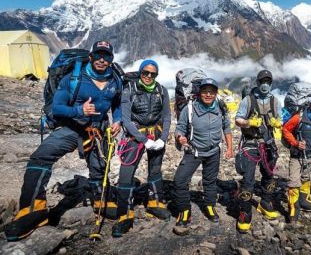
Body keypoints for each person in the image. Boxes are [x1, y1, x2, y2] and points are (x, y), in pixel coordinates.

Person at [5, 41, 122, 241]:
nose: (102, 59)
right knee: (41, 157)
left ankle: (102, 198)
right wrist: (79, 110)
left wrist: (117, 120)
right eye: (98, 54)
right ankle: (33, 209)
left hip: (98, 130)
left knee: (99, 166)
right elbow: (57, 107)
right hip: (72, 127)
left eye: (106, 56)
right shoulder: (74, 78)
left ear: (111, 59)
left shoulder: (115, 80)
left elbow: (117, 103)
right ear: (91, 56)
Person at [112, 59, 171, 237]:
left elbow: (167, 116)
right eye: (145, 72)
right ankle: (124, 214)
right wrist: (143, 140)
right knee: (126, 173)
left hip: (156, 134)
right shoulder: (129, 89)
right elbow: (126, 119)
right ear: (140, 72)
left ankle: (154, 203)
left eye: (153, 74)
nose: (148, 76)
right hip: (135, 136)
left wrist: (163, 138)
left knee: (155, 170)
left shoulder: (162, 90)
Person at [173, 78, 233, 228]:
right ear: (199, 92)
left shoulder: (220, 107)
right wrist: (180, 137)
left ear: (216, 93)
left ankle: (210, 207)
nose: (208, 94)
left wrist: (230, 148)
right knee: (180, 180)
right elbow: (180, 127)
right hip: (194, 151)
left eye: (211, 92)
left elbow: (226, 127)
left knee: (210, 181)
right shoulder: (190, 108)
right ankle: (184, 211)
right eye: (205, 91)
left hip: (214, 151)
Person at [234, 69, 283, 233]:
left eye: (268, 82)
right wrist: (249, 123)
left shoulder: (275, 102)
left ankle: (265, 202)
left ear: (271, 84)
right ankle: (245, 211)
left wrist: (278, 123)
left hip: (268, 143)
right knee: (248, 179)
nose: (265, 85)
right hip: (250, 143)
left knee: (269, 175)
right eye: (263, 82)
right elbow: (237, 120)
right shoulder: (248, 100)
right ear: (257, 83)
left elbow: (281, 119)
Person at [282, 95, 311, 222]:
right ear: (310, 106)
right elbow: (285, 130)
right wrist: (296, 143)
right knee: (293, 181)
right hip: (297, 155)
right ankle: (293, 207)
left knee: (306, 177)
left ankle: (303, 200)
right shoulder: (299, 117)